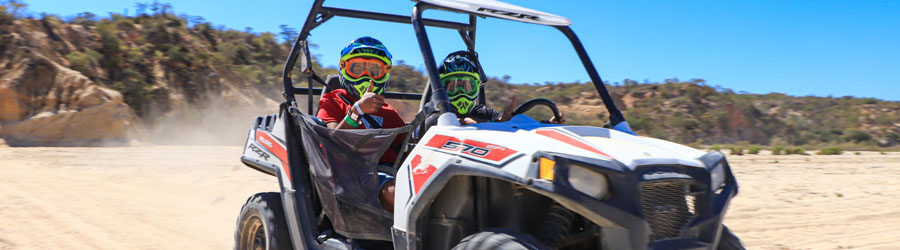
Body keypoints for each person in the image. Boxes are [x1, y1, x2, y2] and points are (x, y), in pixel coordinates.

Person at [316, 36, 402, 213]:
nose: (366, 77)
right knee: (398, 193)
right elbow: (332, 144)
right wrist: (356, 112)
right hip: (353, 176)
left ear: (385, 73)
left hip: (389, 173)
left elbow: (407, 147)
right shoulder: (332, 101)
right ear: (344, 69)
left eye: (373, 71)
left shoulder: (388, 111)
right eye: (358, 69)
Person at [428, 51, 563, 126]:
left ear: (476, 87)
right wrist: (466, 122)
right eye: (453, 87)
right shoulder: (435, 115)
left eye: (467, 86)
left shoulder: (481, 112)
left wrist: (545, 125)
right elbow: (441, 124)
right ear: (441, 89)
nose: (461, 93)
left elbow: (504, 124)